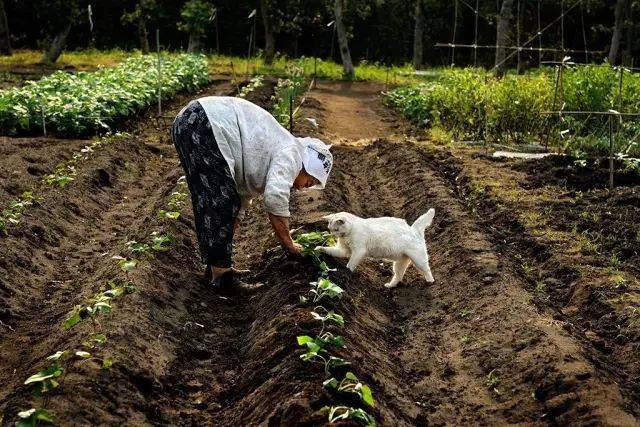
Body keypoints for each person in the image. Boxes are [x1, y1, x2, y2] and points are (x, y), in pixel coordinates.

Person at [172, 96, 333, 289]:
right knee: (220, 200)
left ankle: (217, 269)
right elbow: (275, 198)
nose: (306, 186)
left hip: (191, 122)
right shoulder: (292, 155)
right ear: (307, 166)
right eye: (311, 180)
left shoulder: (273, 157)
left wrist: (226, 243)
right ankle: (222, 277)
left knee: (218, 200)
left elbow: (238, 204)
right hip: (205, 122)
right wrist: (289, 245)